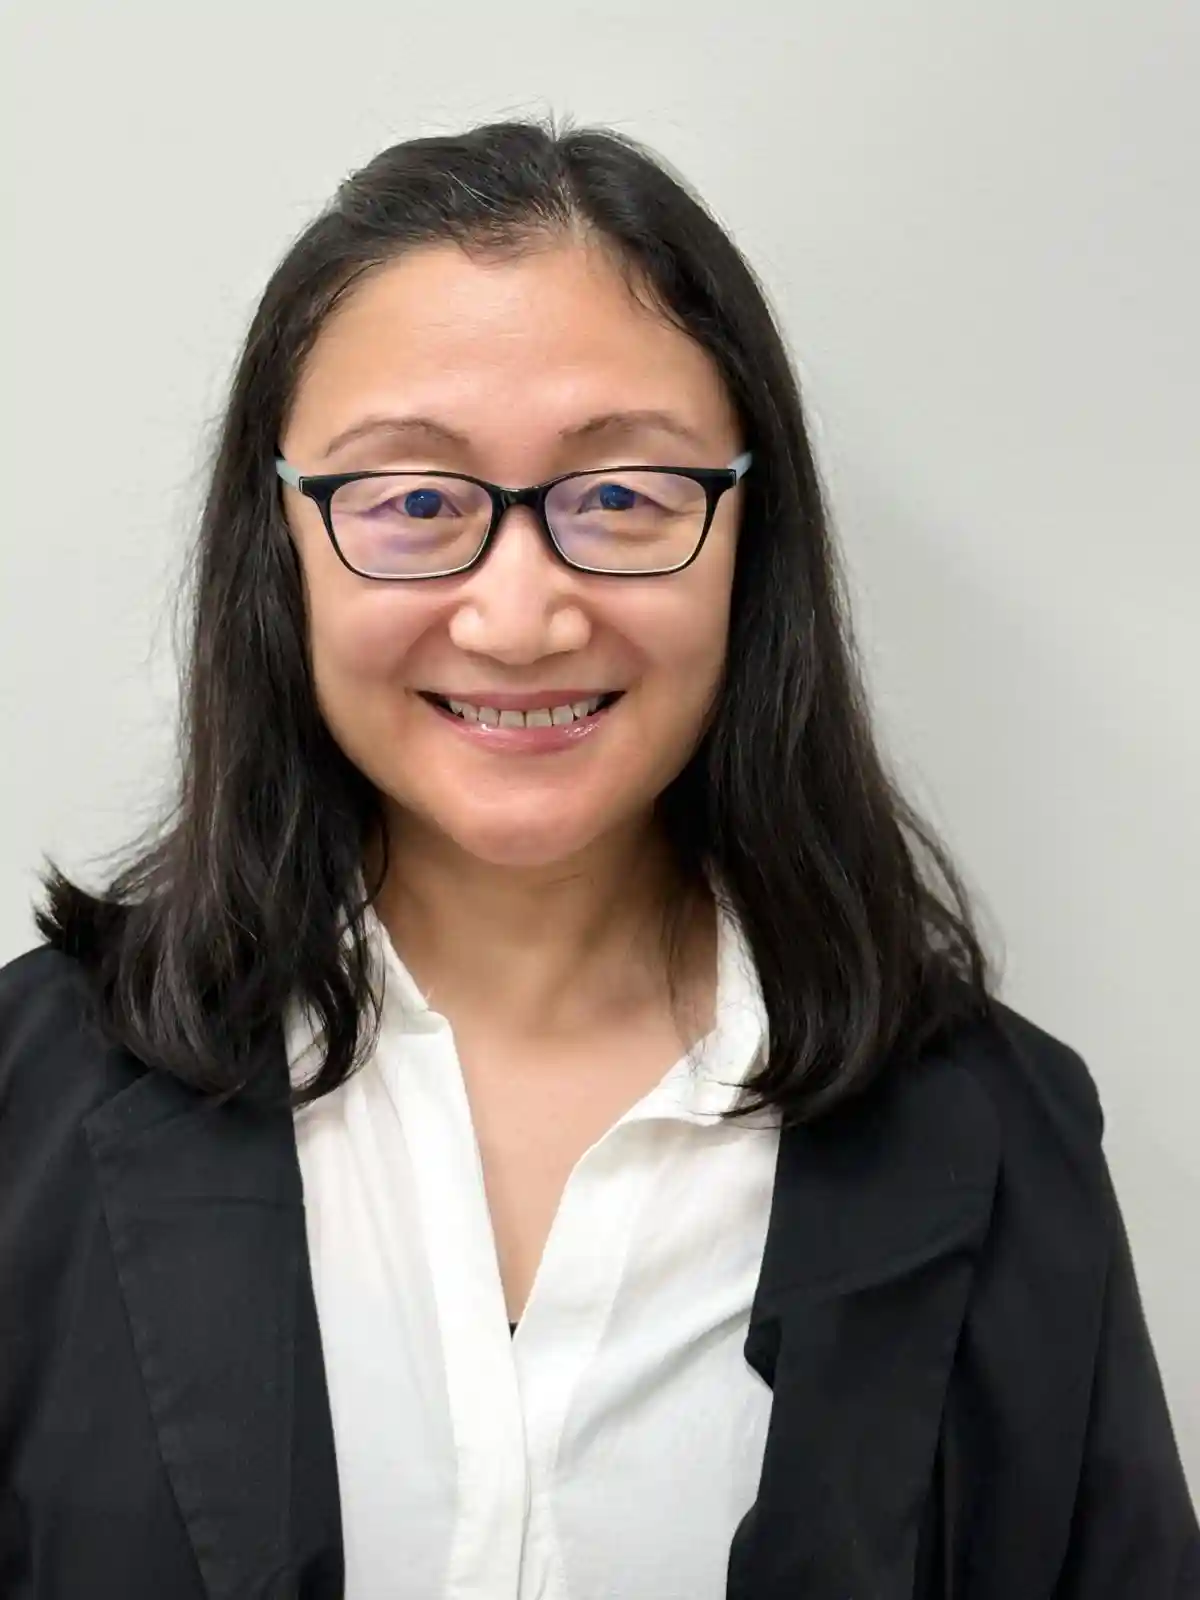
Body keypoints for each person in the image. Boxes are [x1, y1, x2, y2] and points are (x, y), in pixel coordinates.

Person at [0, 118, 1195, 1600]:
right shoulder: (26, 1101)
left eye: (623, 496)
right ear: (280, 541)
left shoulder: (998, 1140)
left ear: (751, 538)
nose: (520, 615)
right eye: (414, 502)